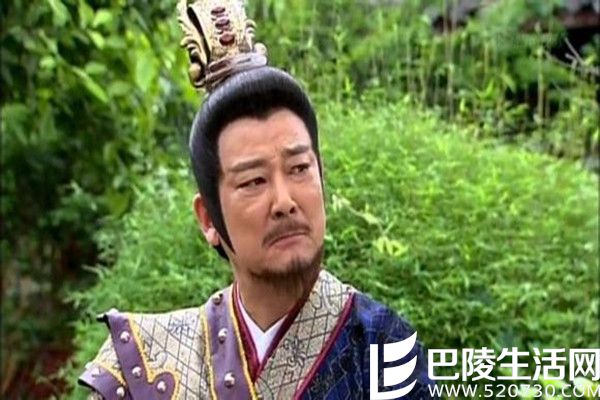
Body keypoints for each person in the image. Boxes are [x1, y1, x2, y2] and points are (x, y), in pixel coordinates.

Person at [78, 1, 435, 399]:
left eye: (299, 169)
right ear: (208, 219)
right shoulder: (145, 365)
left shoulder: (385, 347)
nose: (284, 201)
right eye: (253, 181)